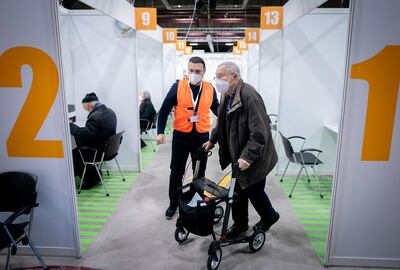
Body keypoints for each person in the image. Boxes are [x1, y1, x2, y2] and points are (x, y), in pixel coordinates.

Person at [203, 62, 280, 238]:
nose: (217, 81)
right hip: (239, 154)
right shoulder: (226, 94)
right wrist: (212, 140)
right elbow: (220, 122)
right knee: (239, 189)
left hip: (255, 155)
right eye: (216, 76)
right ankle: (241, 224)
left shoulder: (249, 96)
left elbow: (260, 133)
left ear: (235, 77)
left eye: (221, 77)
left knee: (252, 189)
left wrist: (247, 156)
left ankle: (269, 216)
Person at [157, 56, 219, 219]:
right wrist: (160, 131)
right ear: (187, 69)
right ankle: (173, 203)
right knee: (176, 172)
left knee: (199, 172)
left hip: (202, 137)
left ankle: (195, 199)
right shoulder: (178, 86)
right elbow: (164, 110)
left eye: (197, 71)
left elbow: (217, 109)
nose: (194, 74)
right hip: (181, 137)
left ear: (204, 71)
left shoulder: (209, 88)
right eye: (191, 70)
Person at [70, 92, 117, 189]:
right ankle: (96, 177)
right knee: (80, 151)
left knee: (75, 154)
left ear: (90, 105)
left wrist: (70, 126)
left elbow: (85, 135)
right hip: (108, 149)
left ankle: (90, 181)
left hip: (98, 151)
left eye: (85, 108)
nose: (86, 111)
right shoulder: (110, 112)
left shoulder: (95, 117)